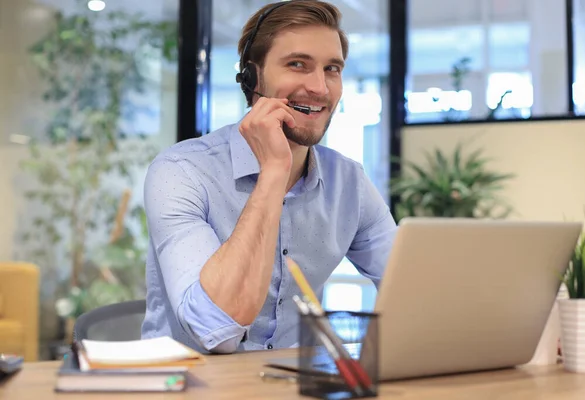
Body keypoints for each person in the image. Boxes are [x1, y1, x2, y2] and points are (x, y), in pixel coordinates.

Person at [141, 0, 397, 354]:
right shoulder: (181, 172)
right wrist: (274, 172)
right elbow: (215, 330)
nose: (320, 88)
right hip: (188, 385)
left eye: (332, 68)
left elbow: (417, 292)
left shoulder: (348, 182)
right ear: (252, 77)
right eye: (297, 64)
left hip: (292, 383)